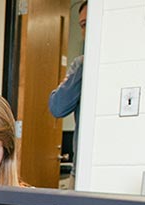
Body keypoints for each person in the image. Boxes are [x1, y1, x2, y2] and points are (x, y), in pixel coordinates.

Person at [49, 0, 87, 153]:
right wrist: (83, 65)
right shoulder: (81, 65)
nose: (86, 31)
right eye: (83, 25)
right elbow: (57, 108)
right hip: (82, 166)